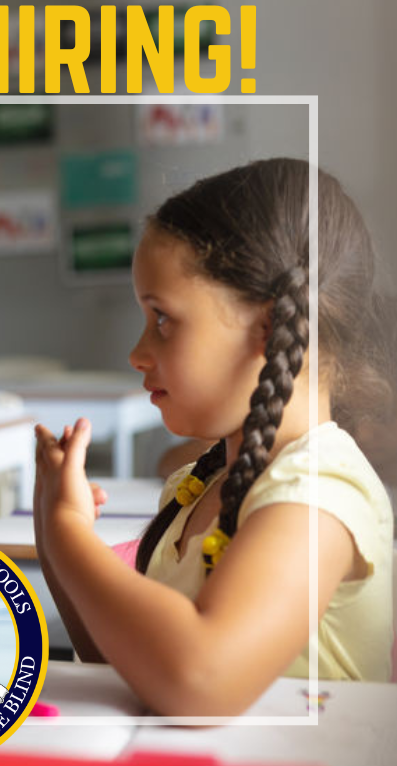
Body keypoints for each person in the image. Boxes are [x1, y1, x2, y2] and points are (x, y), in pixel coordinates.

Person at [34, 158, 394, 716]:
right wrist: (54, 528)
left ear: (269, 330)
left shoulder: (319, 495)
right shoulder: (196, 486)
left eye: (163, 319)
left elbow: (201, 680)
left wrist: (67, 535)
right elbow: (127, 663)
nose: (136, 353)